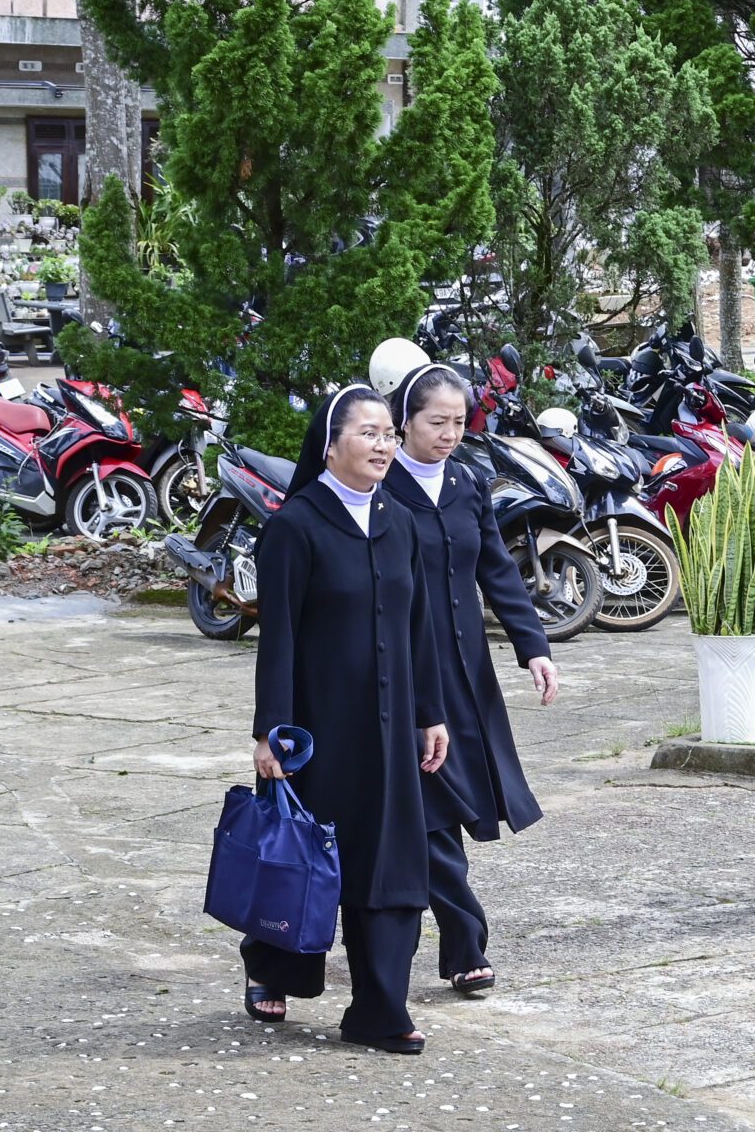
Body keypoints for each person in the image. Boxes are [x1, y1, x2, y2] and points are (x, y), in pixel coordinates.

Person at [243, 385, 450, 1054]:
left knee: (389, 868)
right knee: (301, 860)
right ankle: (273, 967)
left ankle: (379, 1011)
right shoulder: (295, 526)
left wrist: (430, 714)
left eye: (390, 433)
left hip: (389, 733)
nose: (384, 444)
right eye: (369, 433)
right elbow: (279, 638)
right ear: (331, 445)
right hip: (316, 733)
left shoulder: (399, 521)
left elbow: (419, 629)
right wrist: (270, 728)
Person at [384, 362, 560, 998]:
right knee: (431, 809)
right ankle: (465, 945)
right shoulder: (380, 486)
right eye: (437, 422)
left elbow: (497, 570)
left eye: (460, 422)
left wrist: (532, 647)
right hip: (400, 676)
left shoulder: (466, 482)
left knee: (451, 801)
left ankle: (446, 942)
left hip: (463, 672)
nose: (450, 434)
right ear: (404, 420)